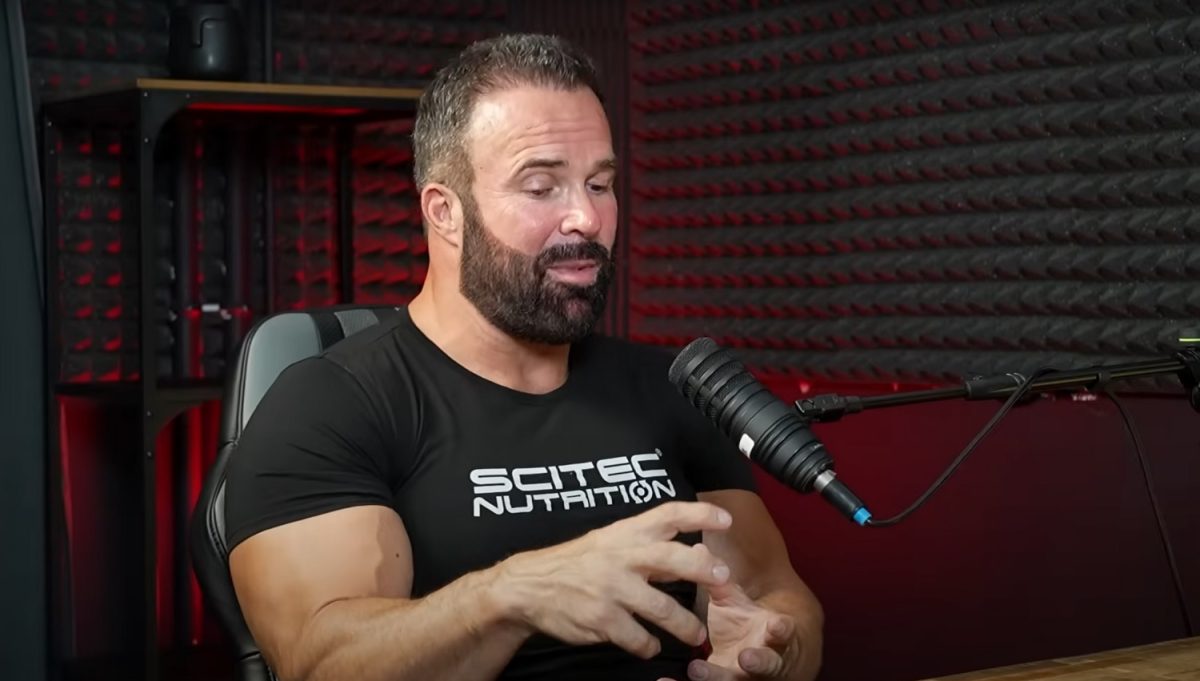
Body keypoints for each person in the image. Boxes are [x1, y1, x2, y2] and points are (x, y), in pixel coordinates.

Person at [223, 33, 823, 681]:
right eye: (541, 188)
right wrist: (509, 594)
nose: (586, 218)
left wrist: (775, 646)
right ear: (444, 212)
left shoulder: (673, 390)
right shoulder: (328, 405)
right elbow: (320, 664)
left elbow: (777, 594)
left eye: (600, 184)